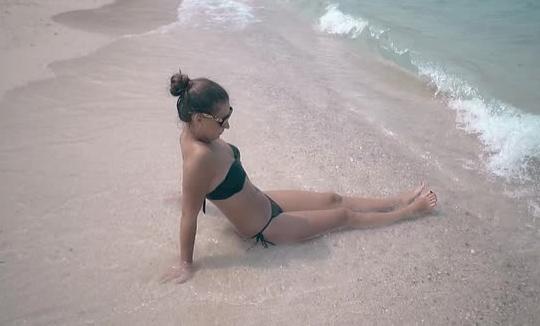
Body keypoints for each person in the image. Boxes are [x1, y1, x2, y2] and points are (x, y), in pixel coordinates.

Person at [160, 72, 438, 283]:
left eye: (229, 114)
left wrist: (190, 193)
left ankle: (395, 200)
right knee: (343, 216)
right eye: (222, 119)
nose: (228, 123)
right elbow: (189, 215)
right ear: (198, 119)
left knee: (333, 198)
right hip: (266, 226)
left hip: (264, 199)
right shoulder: (198, 158)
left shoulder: (190, 133)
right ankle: (409, 212)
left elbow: (200, 186)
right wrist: (186, 263)